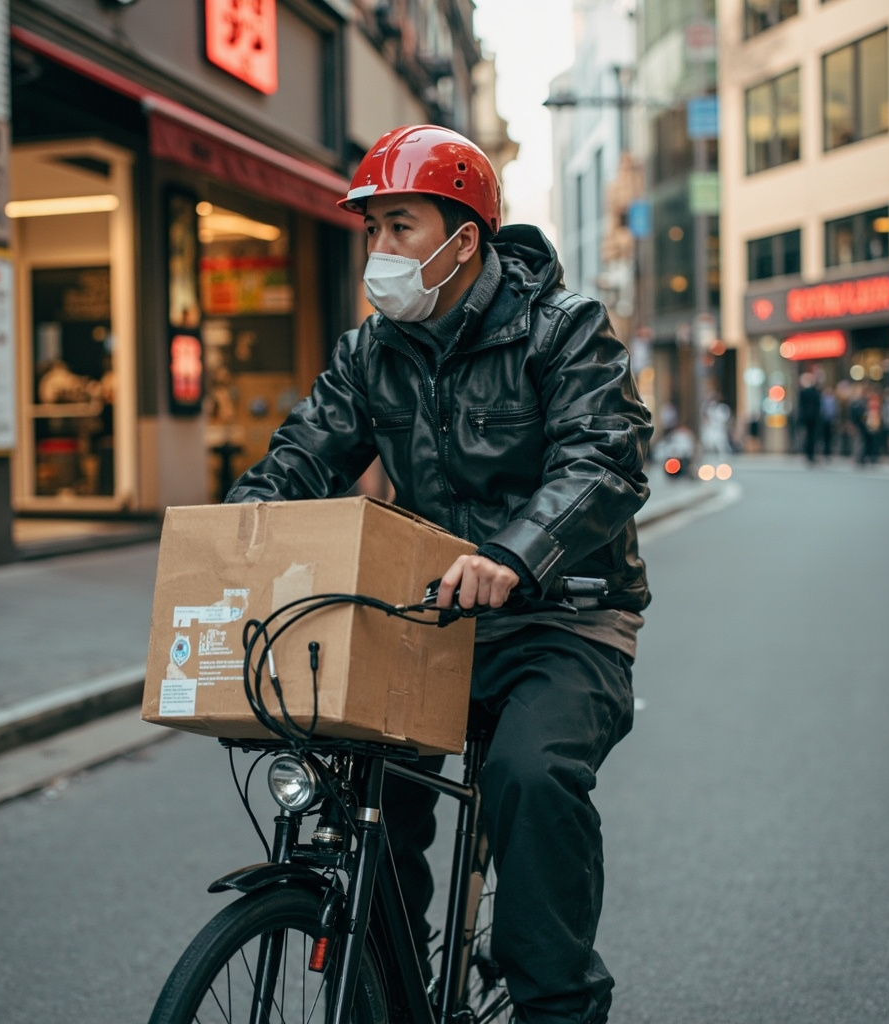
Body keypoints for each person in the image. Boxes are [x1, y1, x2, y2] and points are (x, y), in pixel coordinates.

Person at [224, 124, 652, 1024]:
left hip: (564, 619)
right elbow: (302, 456)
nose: (378, 252)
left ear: (464, 240)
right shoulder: (369, 352)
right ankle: (391, 986)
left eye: (399, 227)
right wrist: (231, 536)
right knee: (362, 788)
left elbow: (606, 463)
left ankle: (556, 1002)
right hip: (427, 616)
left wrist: (510, 555)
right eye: (371, 230)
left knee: (531, 778)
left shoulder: (562, 329)